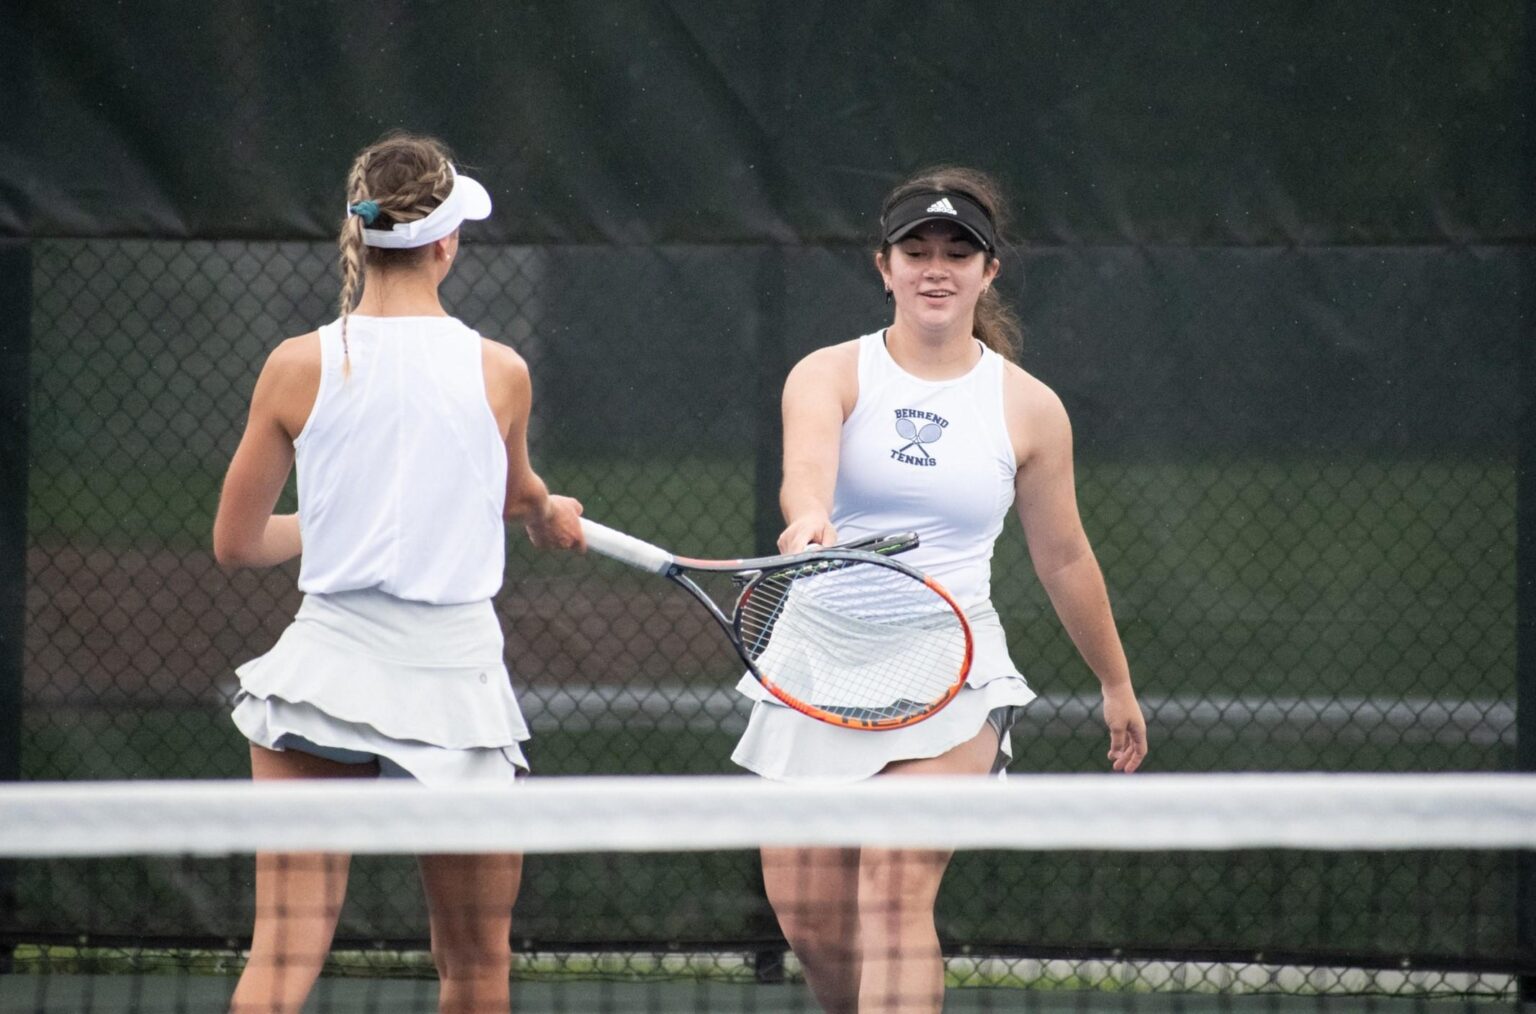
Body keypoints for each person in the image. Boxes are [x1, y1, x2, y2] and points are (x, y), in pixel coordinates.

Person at [731, 166, 1148, 1014]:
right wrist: (808, 516)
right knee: (809, 915)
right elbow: (805, 469)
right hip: (814, 660)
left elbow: (1064, 556)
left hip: (950, 669)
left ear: (988, 272)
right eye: (915, 249)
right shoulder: (829, 373)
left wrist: (1116, 682)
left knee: (892, 880)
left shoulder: (1029, 409)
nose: (935, 267)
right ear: (883, 266)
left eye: (958, 252)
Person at [211, 131, 584, 1014]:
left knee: (280, 959)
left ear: (362, 235)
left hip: (326, 673)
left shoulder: (296, 365)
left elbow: (239, 542)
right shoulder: (503, 373)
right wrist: (539, 507)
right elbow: (510, 488)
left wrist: (350, 522)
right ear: (448, 242)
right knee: (476, 965)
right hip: (454, 688)